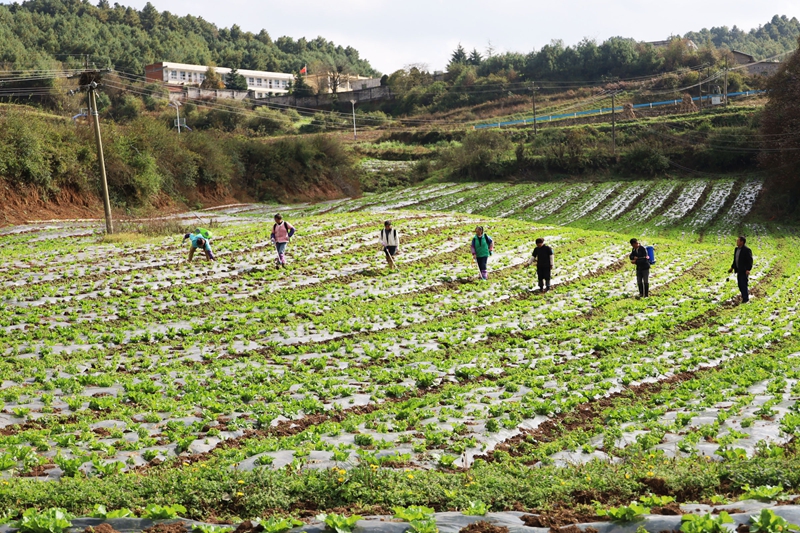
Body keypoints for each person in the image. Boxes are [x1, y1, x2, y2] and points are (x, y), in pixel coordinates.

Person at [729, 235, 753, 304]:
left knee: (743, 284)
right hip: (738, 270)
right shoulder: (736, 249)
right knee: (740, 284)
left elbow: (750, 260)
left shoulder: (747, 250)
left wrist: (748, 269)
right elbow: (735, 260)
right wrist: (732, 267)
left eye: (738, 241)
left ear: (742, 242)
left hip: (744, 270)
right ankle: (744, 296)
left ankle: (745, 299)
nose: (737, 242)